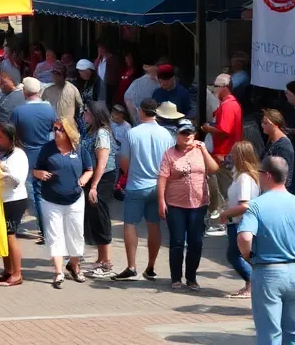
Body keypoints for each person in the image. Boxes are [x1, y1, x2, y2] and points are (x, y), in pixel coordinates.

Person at [237, 156, 295, 345]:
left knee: (269, 332)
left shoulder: (256, 205)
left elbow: (245, 237)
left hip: (268, 271)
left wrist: (249, 257)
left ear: (267, 176)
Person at [113, 99, 174, 282]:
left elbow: (123, 161)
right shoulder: (166, 134)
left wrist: (133, 173)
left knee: (130, 224)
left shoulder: (132, 133)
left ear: (140, 111)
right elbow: (170, 162)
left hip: (136, 185)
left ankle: (131, 266)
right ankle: (151, 267)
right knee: (153, 225)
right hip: (158, 186)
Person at [158, 118, 218, 291]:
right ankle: (176, 277)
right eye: (183, 133)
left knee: (196, 242)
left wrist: (204, 150)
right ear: (177, 135)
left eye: (189, 133)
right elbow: (162, 178)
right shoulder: (170, 153)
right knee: (177, 241)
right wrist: (161, 201)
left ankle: (191, 277)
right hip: (175, 203)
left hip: (198, 204)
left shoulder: (200, 151)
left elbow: (213, 169)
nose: (186, 136)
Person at [33, 115, 91, 288]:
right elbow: (35, 170)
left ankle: (74, 266)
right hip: (51, 199)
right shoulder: (47, 148)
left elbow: (89, 169)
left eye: (60, 129)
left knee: (76, 232)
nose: (56, 132)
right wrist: (40, 174)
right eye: (55, 129)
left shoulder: (79, 149)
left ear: (68, 131)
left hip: (74, 199)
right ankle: (58, 272)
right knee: (54, 234)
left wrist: (83, 180)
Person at [11, 77, 57, 241]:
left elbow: (11, 135)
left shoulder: (18, 111)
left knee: (28, 193)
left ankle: (40, 229)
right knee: (42, 192)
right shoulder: (50, 110)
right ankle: (46, 228)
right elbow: (55, 130)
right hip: (46, 154)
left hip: (26, 156)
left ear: (25, 92)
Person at [202, 74, 243, 235]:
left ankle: (225, 222)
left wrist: (207, 128)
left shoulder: (228, 106)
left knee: (223, 189)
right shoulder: (228, 104)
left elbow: (223, 130)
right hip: (225, 152)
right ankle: (224, 221)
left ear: (225, 87)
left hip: (223, 153)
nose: (214, 90)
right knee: (222, 188)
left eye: (216, 87)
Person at [221, 140, 261, 300]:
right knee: (242, 254)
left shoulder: (244, 177)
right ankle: (251, 283)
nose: (231, 156)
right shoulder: (247, 175)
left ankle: (252, 282)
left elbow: (244, 204)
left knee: (235, 255)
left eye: (234, 154)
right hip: (241, 221)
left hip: (239, 222)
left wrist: (226, 214)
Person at [82, 102, 117, 278]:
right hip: (94, 178)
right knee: (94, 218)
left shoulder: (102, 133)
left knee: (101, 217)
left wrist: (94, 186)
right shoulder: (90, 130)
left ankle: (106, 262)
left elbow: (102, 162)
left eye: (86, 111)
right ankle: (100, 258)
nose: (84, 114)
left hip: (102, 179)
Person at [0, 123, 29, 286]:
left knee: (10, 234)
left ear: (10, 138)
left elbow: (15, 180)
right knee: (3, 236)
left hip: (15, 200)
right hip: (3, 199)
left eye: (1, 137)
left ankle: (17, 273)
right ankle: (8, 270)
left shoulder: (18, 154)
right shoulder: (4, 153)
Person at [261, 109, 295, 178]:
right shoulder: (272, 141)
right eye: (262, 122)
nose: (262, 125)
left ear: (275, 125)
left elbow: (285, 174)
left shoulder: (284, 146)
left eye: (265, 123)